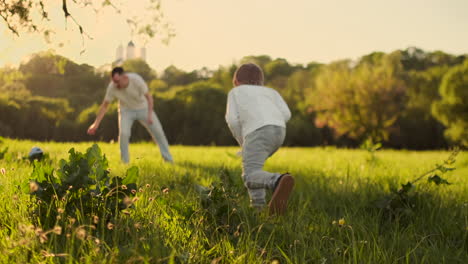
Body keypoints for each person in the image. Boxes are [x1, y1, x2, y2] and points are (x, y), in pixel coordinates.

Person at [225, 63, 294, 215]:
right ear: (261, 82)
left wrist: (243, 142)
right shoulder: (271, 92)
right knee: (255, 170)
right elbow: (287, 114)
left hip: (257, 131)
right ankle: (259, 209)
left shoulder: (236, 92)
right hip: (279, 132)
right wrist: (272, 120)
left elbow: (232, 120)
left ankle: (278, 180)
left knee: (249, 175)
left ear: (236, 82)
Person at [87, 67, 173, 164]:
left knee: (158, 131)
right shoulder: (112, 86)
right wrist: (95, 124)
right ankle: (125, 162)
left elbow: (149, 97)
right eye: (114, 81)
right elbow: (104, 106)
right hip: (126, 111)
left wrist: (149, 115)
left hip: (143, 108)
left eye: (118, 81)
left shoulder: (136, 80)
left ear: (124, 77)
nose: (116, 84)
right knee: (124, 133)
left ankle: (168, 159)